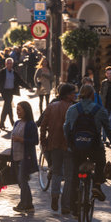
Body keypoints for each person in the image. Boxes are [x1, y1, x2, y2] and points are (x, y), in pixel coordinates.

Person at [64, 85, 111, 202]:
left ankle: (74, 206)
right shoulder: (100, 110)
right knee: (101, 160)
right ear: (92, 95)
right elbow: (108, 129)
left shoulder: (72, 109)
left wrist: (70, 143)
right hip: (94, 147)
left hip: (77, 148)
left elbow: (66, 128)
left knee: (75, 174)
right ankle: (97, 185)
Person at [40, 83, 75, 214]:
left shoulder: (51, 106)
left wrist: (43, 140)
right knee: (69, 176)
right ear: (67, 94)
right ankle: (65, 205)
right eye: (72, 93)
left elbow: (43, 125)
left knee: (56, 172)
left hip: (54, 144)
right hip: (68, 145)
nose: (74, 95)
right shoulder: (73, 108)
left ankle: (55, 196)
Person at [11, 101, 39, 213]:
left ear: (25, 111)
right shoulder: (16, 123)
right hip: (16, 155)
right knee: (20, 180)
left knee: (22, 179)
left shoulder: (31, 124)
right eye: (16, 110)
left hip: (25, 156)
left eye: (19, 110)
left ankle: (24, 204)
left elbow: (35, 141)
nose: (17, 112)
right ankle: (28, 204)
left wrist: (21, 140)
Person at [0, 58, 30, 130]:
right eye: (8, 63)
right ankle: (12, 122)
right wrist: (1, 90)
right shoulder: (1, 72)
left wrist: (28, 87)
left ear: (12, 64)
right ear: (5, 64)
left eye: (10, 63)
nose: (9, 65)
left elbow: (20, 81)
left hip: (11, 91)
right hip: (5, 91)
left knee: (7, 106)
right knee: (8, 105)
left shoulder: (14, 73)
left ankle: (2, 123)